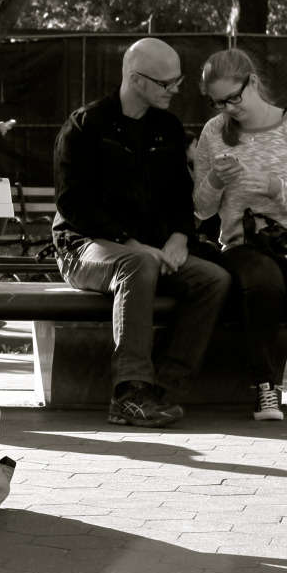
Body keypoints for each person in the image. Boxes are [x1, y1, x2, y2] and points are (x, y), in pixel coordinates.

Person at [52, 38, 229, 427]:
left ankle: (163, 390)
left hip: (150, 252)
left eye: (178, 80)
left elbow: (181, 198)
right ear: (136, 79)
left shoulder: (167, 128)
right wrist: (132, 244)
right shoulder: (85, 125)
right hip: (84, 246)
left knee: (214, 279)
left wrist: (180, 238)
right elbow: (73, 203)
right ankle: (128, 394)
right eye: (167, 83)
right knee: (135, 264)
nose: (176, 89)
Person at [193, 48, 287, 422]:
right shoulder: (213, 132)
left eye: (233, 98)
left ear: (252, 82)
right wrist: (216, 180)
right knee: (264, 285)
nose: (227, 109)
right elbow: (201, 209)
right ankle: (266, 387)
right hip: (243, 241)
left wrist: (271, 185)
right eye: (218, 102)